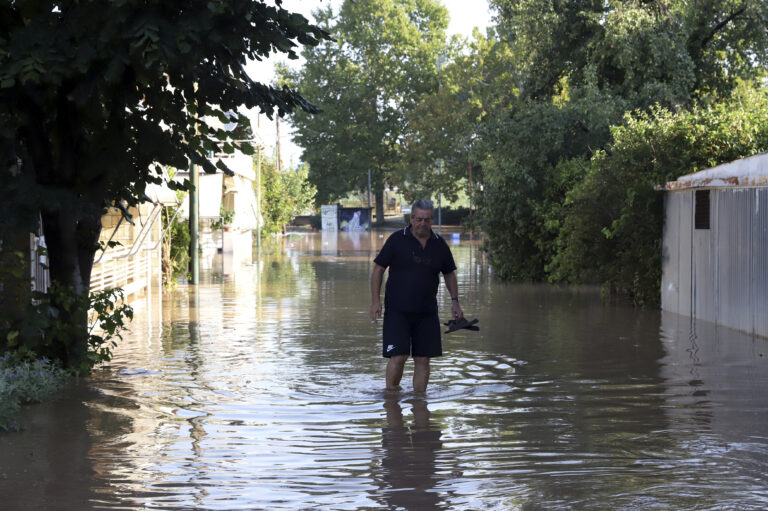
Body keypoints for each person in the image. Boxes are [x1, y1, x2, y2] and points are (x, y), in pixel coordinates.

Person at [369, 199, 463, 392]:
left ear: (431, 220)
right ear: (411, 218)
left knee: (423, 359)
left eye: (427, 220)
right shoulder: (396, 240)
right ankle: (391, 398)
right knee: (398, 356)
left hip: (427, 312)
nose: (422, 224)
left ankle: (419, 402)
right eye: (419, 219)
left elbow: (449, 273)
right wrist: (375, 301)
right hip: (397, 311)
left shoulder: (439, 244)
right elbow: (378, 269)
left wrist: (455, 301)